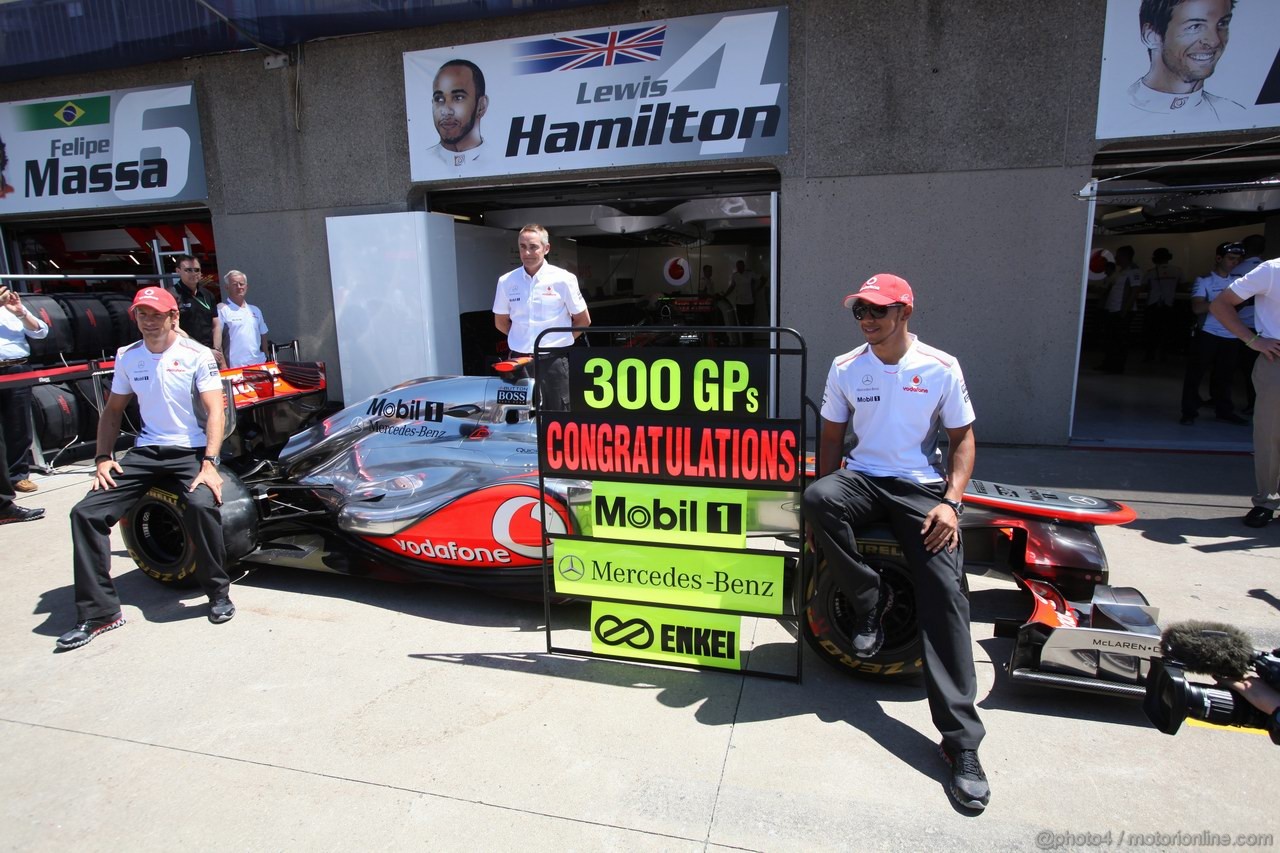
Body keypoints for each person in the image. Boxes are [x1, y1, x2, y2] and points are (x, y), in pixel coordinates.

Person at [802, 273, 988, 811]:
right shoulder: (845, 366)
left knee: (947, 598)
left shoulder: (940, 366)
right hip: (861, 479)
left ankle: (961, 745)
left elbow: (962, 439)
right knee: (817, 497)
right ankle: (870, 599)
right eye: (859, 310)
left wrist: (952, 503)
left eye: (878, 311)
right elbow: (831, 442)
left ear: (905, 312)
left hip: (918, 487)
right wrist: (823, 515)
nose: (866, 319)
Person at [56, 286, 234, 651]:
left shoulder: (197, 355)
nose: (149, 322)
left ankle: (217, 593)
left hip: (191, 450)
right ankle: (100, 612)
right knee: (85, 513)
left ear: (174, 317)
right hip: (147, 451)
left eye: (156, 315)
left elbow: (217, 410)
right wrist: (103, 457)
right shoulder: (128, 356)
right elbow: (113, 411)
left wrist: (210, 463)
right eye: (142, 314)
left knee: (202, 505)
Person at [1210, 256, 1280, 528]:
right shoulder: (1272, 271)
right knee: (1270, 436)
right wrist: (1253, 340)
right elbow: (1220, 304)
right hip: (1276, 361)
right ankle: (1267, 501)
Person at [492, 224, 590, 410]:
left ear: (546, 248)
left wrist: (559, 342)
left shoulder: (564, 279)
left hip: (554, 362)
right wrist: (522, 339)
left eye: (533, 246)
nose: (527, 252)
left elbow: (583, 321)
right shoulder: (506, 281)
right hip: (518, 363)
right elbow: (500, 322)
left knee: (558, 417)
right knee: (517, 417)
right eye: (522, 246)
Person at [1127, 0, 1245, 125]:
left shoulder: (1235, 115)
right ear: (1151, 36)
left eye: (1222, 23)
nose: (1214, 41)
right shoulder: (1118, 110)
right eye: (1195, 26)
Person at [1181, 242, 1247, 425]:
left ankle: (1224, 411)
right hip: (1207, 333)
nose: (1234, 263)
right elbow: (1197, 307)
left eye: (1238, 260)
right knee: (1195, 374)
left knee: (1225, 377)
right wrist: (1223, 303)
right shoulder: (1204, 280)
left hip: (1232, 334)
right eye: (1231, 258)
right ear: (1219, 258)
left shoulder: (1239, 281)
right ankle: (1188, 412)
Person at [0, 287, 46, 525]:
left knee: (19, 428)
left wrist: (20, 313)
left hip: (17, 368)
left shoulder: (13, 309)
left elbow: (41, 332)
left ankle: (18, 475)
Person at [428, 59, 488, 176]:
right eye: (439, 99)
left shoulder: (498, 160)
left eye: (458, 98)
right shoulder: (423, 162)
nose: (446, 111)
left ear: (481, 105)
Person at [169, 254, 225, 368]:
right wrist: (204, 351)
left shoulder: (207, 294)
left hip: (211, 355)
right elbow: (174, 328)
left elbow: (216, 325)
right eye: (188, 270)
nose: (194, 273)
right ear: (178, 271)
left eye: (197, 270)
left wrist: (217, 351)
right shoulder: (171, 295)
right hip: (185, 357)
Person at [1098, 245, 1142, 374]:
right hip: (1113, 310)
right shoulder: (1121, 271)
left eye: (1118, 255)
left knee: (1119, 340)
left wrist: (1124, 310)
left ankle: (1117, 366)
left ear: (1125, 256)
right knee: (1111, 339)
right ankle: (1108, 363)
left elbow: (1134, 291)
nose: (1116, 258)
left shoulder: (1134, 271)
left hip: (1121, 311)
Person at [216, 269, 269, 367]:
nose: (239, 287)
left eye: (242, 284)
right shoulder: (222, 309)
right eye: (235, 284)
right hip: (235, 367)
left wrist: (266, 356)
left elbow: (263, 334)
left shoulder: (255, 310)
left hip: (259, 364)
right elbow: (217, 341)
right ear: (227, 287)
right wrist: (223, 365)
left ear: (247, 287)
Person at [1141, 247, 1182, 362]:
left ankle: (1150, 355)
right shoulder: (1177, 270)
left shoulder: (1151, 272)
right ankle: (1163, 355)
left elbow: (1143, 286)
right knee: (1166, 331)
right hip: (1169, 304)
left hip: (1153, 304)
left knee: (1151, 332)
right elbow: (1183, 285)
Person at [725, 260, 757, 326]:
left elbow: (763, 279)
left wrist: (757, 290)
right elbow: (732, 286)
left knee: (750, 322)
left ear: (744, 266)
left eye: (740, 266)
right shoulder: (735, 275)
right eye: (738, 267)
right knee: (741, 322)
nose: (739, 268)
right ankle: (744, 336)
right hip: (739, 303)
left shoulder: (750, 274)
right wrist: (725, 295)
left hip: (750, 302)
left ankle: (749, 336)